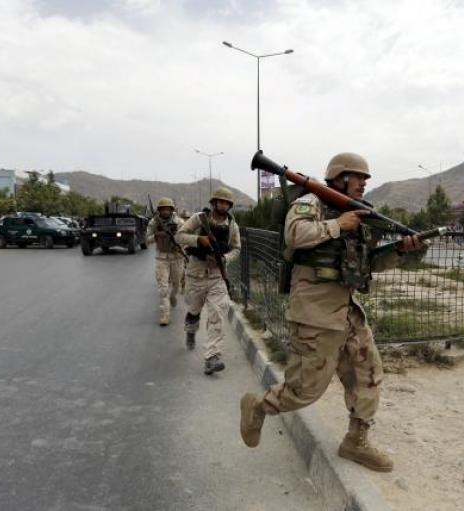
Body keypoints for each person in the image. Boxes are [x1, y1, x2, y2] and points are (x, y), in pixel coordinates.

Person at [238, 152, 424, 473]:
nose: (365, 183)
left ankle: (356, 441)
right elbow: (294, 235)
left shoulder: (356, 214)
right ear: (340, 177)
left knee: (368, 374)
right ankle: (258, 407)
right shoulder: (311, 203)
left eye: (366, 179)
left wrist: (400, 251)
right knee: (304, 391)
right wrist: (337, 225)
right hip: (315, 315)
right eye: (359, 177)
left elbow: (368, 263)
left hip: (347, 312)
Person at [175, 188, 241, 375]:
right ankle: (190, 330)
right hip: (195, 275)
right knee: (194, 310)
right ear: (213, 203)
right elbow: (179, 236)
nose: (222, 205)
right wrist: (198, 240)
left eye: (226, 203)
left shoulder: (232, 226)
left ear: (229, 205)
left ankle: (212, 357)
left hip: (217, 277)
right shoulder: (199, 219)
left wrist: (225, 259)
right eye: (219, 202)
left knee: (217, 316)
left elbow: (236, 249)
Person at [146, 198, 185, 326]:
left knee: (176, 284)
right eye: (163, 208)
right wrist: (157, 236)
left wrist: (177, 239)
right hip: (161, 258)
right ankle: (164, 315)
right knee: (163, 288)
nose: (165, 211)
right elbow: (146, 240)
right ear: (159, 210)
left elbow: (186, 237)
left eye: (168, 208)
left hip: (177, 257)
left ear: (172, 209)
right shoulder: (154, 222)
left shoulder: (179, 222)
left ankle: (173, 296)